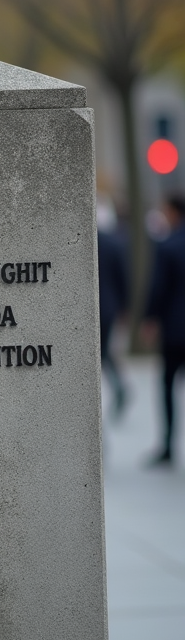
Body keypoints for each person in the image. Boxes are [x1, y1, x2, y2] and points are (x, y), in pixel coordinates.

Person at [144, 192, 185, 466]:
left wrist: (149, 319)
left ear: (173, 213)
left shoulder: (168, 246)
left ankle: (169, 446)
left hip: (175, 329)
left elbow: (158, 288)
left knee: (168, 385)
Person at [97, 217, 129, 418]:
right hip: (108, 307)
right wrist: (124, 308)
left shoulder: (77, 240)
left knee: (99, 354)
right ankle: (119, 386)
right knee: (102, 351)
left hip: (90, 308)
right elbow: (123, 278)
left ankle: (118, 387)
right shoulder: (112, 242)